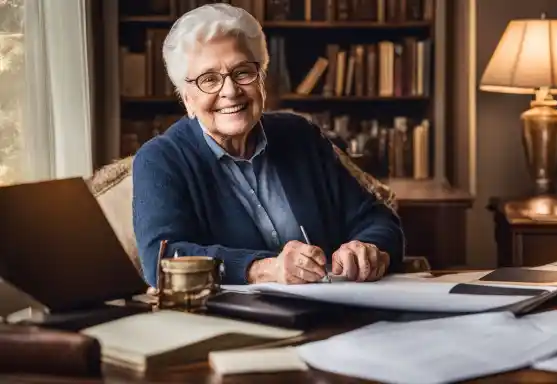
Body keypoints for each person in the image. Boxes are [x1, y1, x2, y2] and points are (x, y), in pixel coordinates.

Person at [132, 3, 405, 287]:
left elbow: (377, 219)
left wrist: (369, 249)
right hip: (236, 324)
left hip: (334, 312)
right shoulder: (160, 160)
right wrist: (264, 269)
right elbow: (161, 261)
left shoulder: (300, 136)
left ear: (261, 78)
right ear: (187, 99)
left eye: (242, 73)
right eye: (209, 79)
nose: (230, 91)